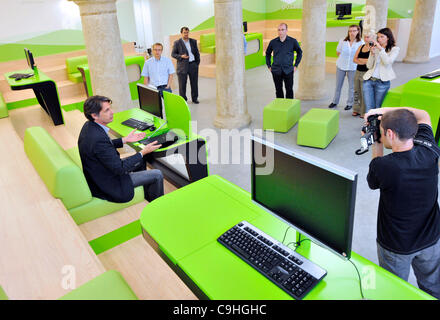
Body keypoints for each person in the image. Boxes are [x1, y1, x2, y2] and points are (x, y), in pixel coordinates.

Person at [365, 106, 440, 299]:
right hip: (431, 239)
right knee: (433, 288)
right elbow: (424, 114)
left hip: (396, 246)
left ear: (389, 133)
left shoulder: (385, 166)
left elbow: (373, 181)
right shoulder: (430, 149)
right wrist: (383, 111)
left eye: (382, 131)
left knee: (393, 291)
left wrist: (376, 144)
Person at [78, 95, 164, 203]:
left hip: (102, 171)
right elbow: (120, 168)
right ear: (94, 115)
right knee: (157, 174)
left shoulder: (90, 126)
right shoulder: (98, 138)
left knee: (140, 160)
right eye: (107, 110)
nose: (112, 112)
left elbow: (102, 148)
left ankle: (148, 195)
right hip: (108, 183)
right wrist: (143, 152)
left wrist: (124, 140)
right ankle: (158, 207)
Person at [362, 28, 400, 112]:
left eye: (382, 37)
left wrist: (381, 49)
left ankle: (376, 124)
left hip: (382, 82)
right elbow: (369, 66)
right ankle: (368, 125)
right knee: (369, 107)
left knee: (378, 107)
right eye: (378, 37)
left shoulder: (394, 49)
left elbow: (387, 62)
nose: (379, 39)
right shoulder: (375, 48)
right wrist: (371, 54)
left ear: (388, 37)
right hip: (369, 80)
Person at [328, 25, 363, 111]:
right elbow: (338, 52)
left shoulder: (361, 42)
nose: (352, 33)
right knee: (338, 85)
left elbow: (360, 55)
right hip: (341, 66)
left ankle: (349, 103)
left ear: (358, 31)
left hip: (353, 67)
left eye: (354, 31)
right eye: (350, 31)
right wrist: (344, 58)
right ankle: (335, 101)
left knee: (352, 87)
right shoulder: (343, 40)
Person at [265, 23, 302, 99]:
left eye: (282, 30)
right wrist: (269, 66)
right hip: (276, 70)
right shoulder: (273, 42)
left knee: (289, 90)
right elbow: (267, 53)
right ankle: (280, 107)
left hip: (288, 70)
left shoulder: (293, 41)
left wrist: (296, 65)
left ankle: (289, 107)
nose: (280, 32)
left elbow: (299, 52)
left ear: (286, 30)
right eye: (279, 30)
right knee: (278, 90)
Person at [171, 27, 200, 104]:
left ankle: (195, 98)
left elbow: (197, 53)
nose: (186, 34)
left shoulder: (193, 41)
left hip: (193, 65)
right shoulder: (177, 43)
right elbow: (173, 54)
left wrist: (197, 63)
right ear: (181, 33)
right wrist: (181, 56)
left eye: (187, 32)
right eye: (184, 32)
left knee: (194, 83)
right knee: (182, 85)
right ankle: (183, 100)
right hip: (182, 66)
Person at [352, 30, 373, 117]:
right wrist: (364, 61)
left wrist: (360, 60)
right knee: (357, 91)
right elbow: (354, 59)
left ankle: (363, 111)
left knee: (364, 92)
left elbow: (371, 62)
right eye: (365, 37)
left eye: (368, 37)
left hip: (367, 73)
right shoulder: (361, 46)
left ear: (372, 38)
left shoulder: (373, 48)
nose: (366, 38)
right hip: (358, 72)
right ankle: (356, 109)